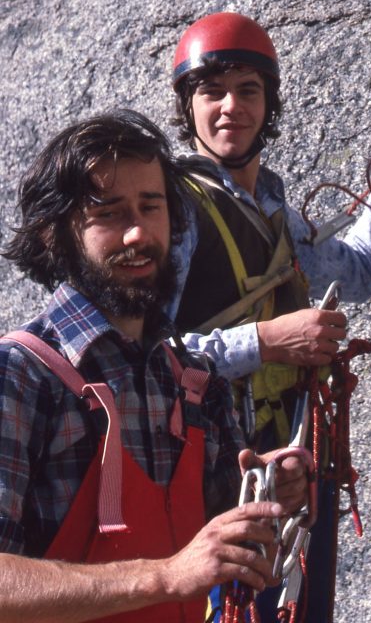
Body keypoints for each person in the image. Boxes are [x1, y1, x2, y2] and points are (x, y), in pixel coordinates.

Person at [168, 13, 371, 621]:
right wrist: (267, 340)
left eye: (248, 90)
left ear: (269, 104)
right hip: (216, 473)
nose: (231, 107)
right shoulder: (176, 211)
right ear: (189, 107)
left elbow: (356, 270)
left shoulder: (273, 210)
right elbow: (151, 355)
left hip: (290, 457)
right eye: (212, 92)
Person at [0, 110, 306, 623]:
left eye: (151, 206)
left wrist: (271, 489)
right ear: (54, 235)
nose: (138, 232)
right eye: (110, 213)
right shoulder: (20, 375)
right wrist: (166, 576)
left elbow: (226, 542)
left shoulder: (191, 379)